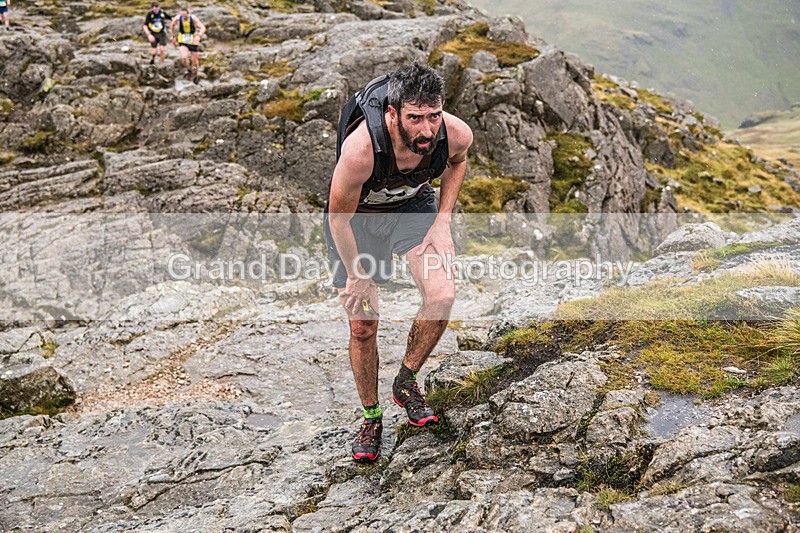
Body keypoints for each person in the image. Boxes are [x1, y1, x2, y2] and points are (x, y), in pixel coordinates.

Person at [324, 62, 473, 462]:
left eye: (433, 116)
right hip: (358, 224)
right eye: (414, 119)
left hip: (412, 207)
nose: (427, 130)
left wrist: (442, 223)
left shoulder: (454, 133)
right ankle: (371, 418)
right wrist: (358, 273)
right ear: (393, 115)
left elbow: (458, 161)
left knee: (441, 294)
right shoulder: (360, 152)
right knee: (362, 325)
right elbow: (339, 217)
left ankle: (406, 381)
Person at [170, 6, 205, 84]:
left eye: (185, 16)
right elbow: (172, 25)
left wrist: (198, 36)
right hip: (183, 40)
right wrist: (173, 37)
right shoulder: (178, 18)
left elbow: (203, 27)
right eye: (182, 16)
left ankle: (195, 75)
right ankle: (189, 70)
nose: (184, 17)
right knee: (184, 57)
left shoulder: (193, 18)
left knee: (195, 61)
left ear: (188, 14)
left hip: (192, 40)